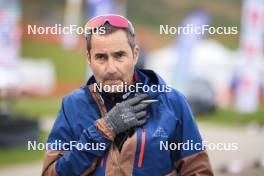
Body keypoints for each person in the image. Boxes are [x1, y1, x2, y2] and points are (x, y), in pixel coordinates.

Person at [42, 14, 213, 176]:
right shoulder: (72, 105)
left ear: (135, 54)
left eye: (119, 56)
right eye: (101, 57)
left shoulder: (172, 102)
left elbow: (198, 171)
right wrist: (104, 130)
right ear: (89, 58)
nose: (111, 68)